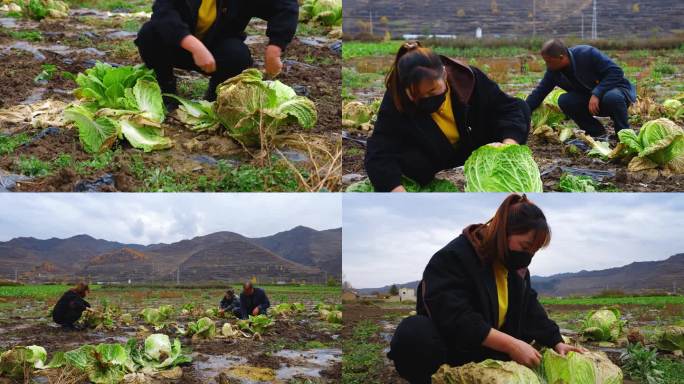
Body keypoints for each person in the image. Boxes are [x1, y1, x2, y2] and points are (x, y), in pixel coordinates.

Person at [387, 194, 585, 384]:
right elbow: (455, 316)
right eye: (525, 247)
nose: (528, 257)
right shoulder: (454, 257)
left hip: (486, 352)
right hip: (453, 350)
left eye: (534, 252)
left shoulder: (516, 268)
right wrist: (512, 344)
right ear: (503, 231)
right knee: (414, 334)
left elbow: (530, 308)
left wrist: (556, 341)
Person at [364, 41, 531, 192]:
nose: (427, 98)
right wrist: (395, 190)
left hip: (475, 144)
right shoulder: (397, 97)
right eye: (418, 96)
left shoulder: (468, 79)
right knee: (405, 161)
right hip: (433, 154)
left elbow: (508, 108)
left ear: (444, 75)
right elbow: (379, 149)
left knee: (521, 108)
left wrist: (508, 145)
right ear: (405, 88)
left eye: (432, 91)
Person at [134, 0, 299, 109]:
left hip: (217, 50)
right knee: (150, 34)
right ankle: (166, 86)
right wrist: (194, 46)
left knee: (238, 56)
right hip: (177, 45)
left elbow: (285, 5)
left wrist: (275, 48)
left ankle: (216, 94)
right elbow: (163, 13)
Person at [526, 38, 637, 137]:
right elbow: (539, 93)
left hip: (617, 93)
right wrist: (522, 111)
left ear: (561, 57)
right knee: (565, 100)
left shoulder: (587, 54)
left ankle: (623, 135)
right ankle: (597, 133)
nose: (547, 65)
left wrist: (597, 93)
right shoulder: (553, 72)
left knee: (612, 97)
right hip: (592, 103)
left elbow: (616, 72)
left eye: (549, 61)